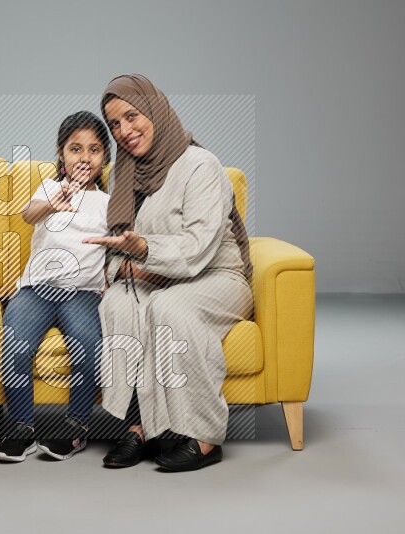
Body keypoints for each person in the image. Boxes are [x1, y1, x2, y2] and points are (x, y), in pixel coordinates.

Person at [83, 75, 254, 472]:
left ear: (155, 110)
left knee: (170, 308)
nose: (125, 131)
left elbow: (198, 247)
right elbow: (117, 241)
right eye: (115, 125)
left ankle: (206, 436)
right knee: (119, 304)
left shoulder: (200, 166)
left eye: (131, 116)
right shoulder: (124, 174)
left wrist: (142, 250)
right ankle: (140, 426)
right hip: (159, 273)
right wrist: (119, 266)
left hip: (217, 276)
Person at [0, 111, 111, 462]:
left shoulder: (108, 202)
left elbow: (116, 246)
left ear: (105, 157)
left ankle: (76, 427)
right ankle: (21, 428)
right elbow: (28, 215)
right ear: (61, 154)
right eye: (75, 149)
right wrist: (52, 203)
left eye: (93, 150)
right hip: (37, 288)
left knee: (89, 347)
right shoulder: (49, 188)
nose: (84, 157)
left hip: (84, 292)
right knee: (14, 345)